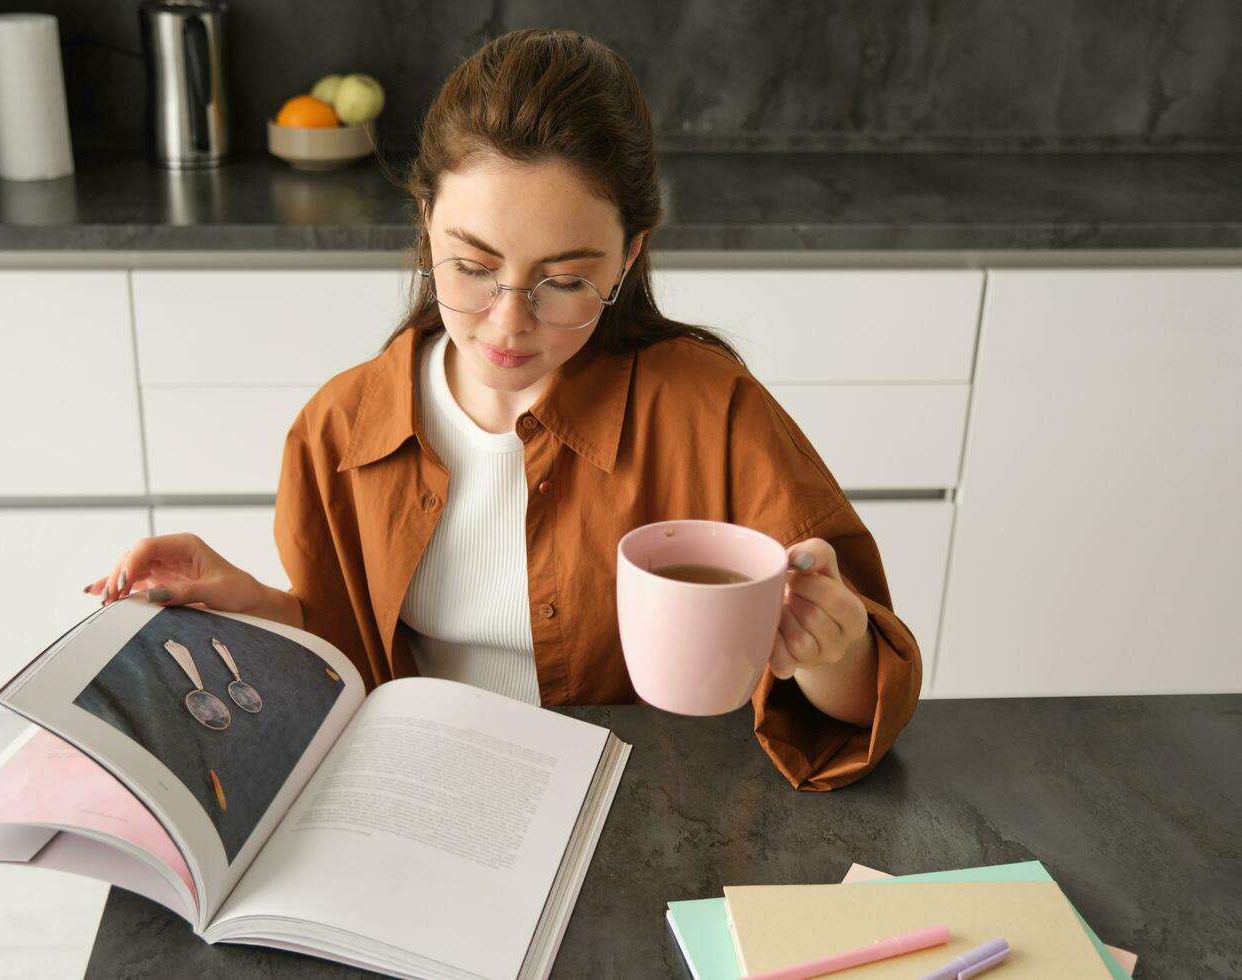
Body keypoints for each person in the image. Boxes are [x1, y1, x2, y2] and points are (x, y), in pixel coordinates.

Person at [84, 28, 921, 791]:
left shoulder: (714, 413)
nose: (510, 322)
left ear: (629, 255)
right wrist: (252, 606)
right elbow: (345, 662)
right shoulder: (340, 431)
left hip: (650, 817)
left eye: (564, 280)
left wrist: (834, 650)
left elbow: (861, 707)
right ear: (425, 226)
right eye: (473, 267)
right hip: (426, 805)